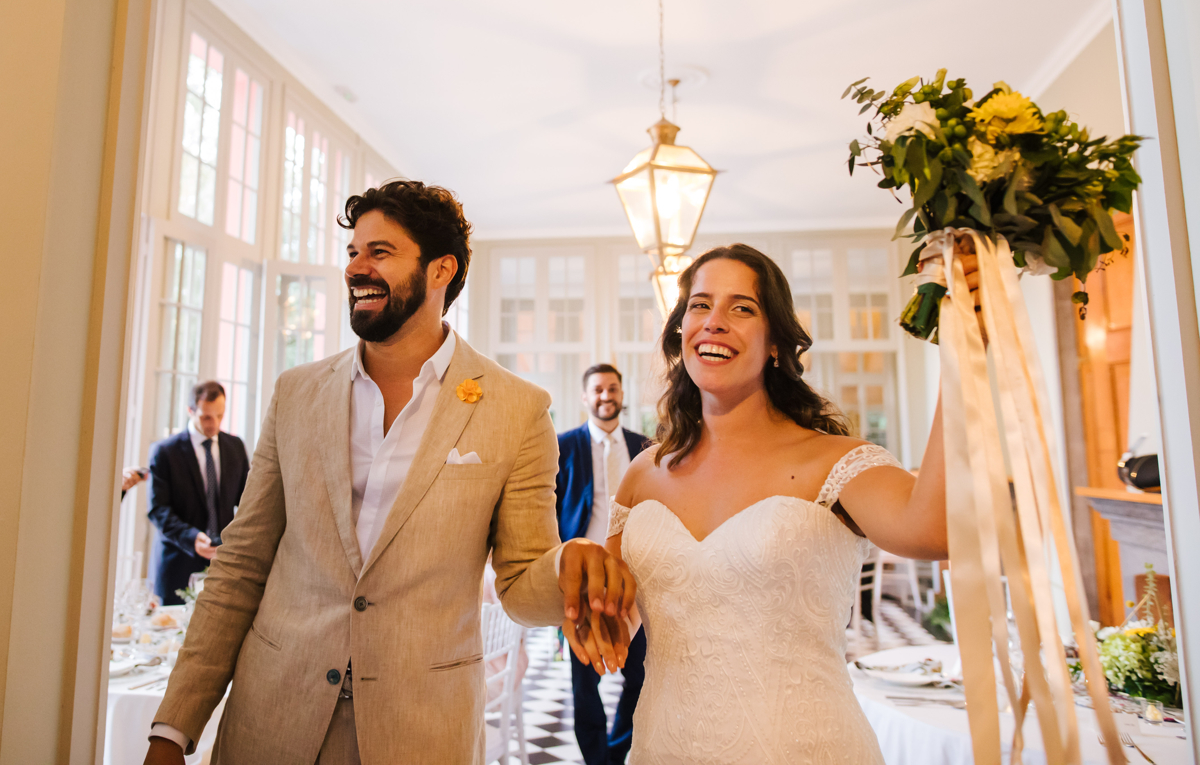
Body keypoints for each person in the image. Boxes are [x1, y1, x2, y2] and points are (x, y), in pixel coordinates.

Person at [145, 180, 633, 765]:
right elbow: (241, 565)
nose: (356, 268)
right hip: (271, 719)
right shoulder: (296, 394)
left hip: (421, 732)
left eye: (380, 252)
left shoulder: (517, 409)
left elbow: (520, 585)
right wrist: (172, 730)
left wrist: (567, 563)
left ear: (441, 270)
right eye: (353, 252)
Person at [590, 244, 958, 764]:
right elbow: (616, 617)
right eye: (700, 305)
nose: (714, 321)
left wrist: (963, 352)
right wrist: (586, 598)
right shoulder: (644, 473)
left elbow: (934, 530)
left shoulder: (835, 461)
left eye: (742, 308)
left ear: (776, 345)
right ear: (681, 331)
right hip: (662, 748)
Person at [555, 364, 649, 765]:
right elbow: (549, 513)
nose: (605, 396)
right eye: (597, 390)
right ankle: (597, 760)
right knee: (584, 682)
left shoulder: (644, 447)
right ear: (585, 397)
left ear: (622, 394)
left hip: (638, 580)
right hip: (583, 583)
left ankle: (617, 749)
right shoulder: (563, 446)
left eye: (612, 388)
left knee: (640, 675)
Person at [146, 382, 249, 605]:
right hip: (177, 566)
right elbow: (158, 510)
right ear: (190, 411)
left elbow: (248, 502)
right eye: (206, 417)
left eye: (220, 416)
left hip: (223, 567)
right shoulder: (165, 452)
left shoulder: (235, 447)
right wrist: (192, 538)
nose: (215, 424)